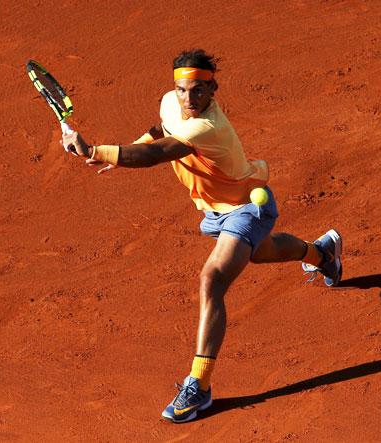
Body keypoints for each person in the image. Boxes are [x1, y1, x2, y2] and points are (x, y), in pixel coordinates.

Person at [62, 49, 342, 423]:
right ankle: (322, 253)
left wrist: (99, 151)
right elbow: (161, 130)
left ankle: (200, 386)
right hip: (213, 210)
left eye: (198, 91)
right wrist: (124, 149)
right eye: (182, 90)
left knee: (211, 279)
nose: (188, 99)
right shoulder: (171, 103)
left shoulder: (209, 127)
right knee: (263, 251)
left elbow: (160, 153)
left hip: (246, 208)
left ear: (213, 89)